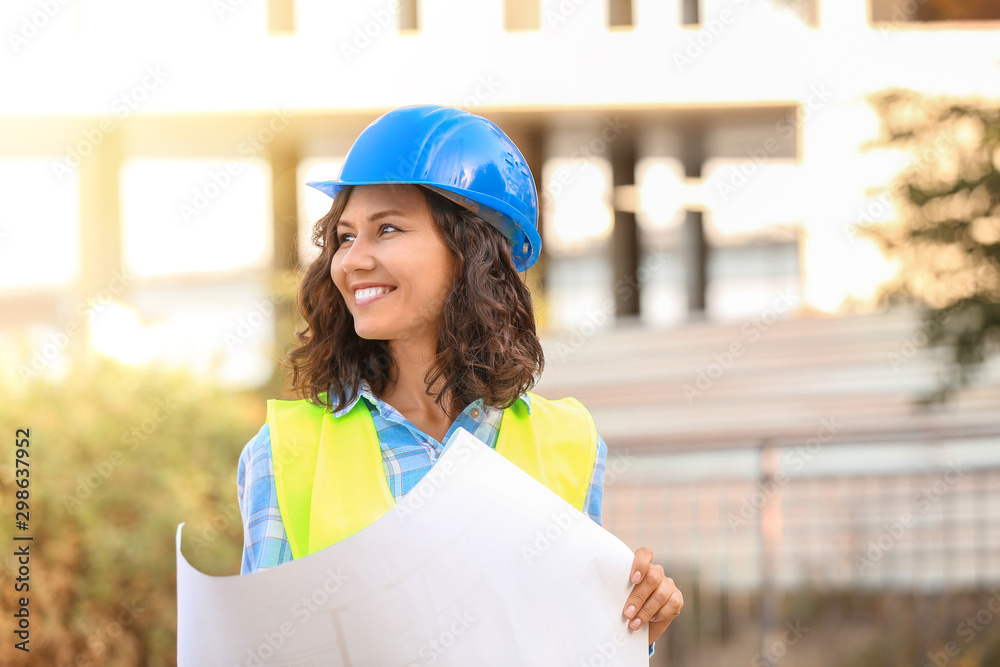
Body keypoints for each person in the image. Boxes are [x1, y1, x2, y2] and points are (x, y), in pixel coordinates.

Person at [236, 105, 683, 657]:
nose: (352, 260)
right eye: (344, 236)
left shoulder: (569, 441)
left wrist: (627, 630)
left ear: (471, 251)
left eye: (388, 229)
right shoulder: (283, 452)